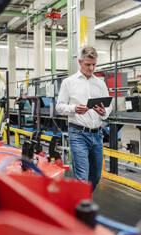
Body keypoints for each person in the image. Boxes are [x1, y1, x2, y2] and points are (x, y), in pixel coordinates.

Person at [56, 46, 111, 190]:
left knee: (96, 176)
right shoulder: (69, 82)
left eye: (94, 64)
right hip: (78, 134)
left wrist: (104, 112)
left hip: (97, 134)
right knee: (82, 176)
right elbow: (59, 107)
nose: (91, 68)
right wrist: (74, 108)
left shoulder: (100, 83)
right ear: (80, 62)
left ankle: (82, 201)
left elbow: (109, 105)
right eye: (88, 64)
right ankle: (81, 208)